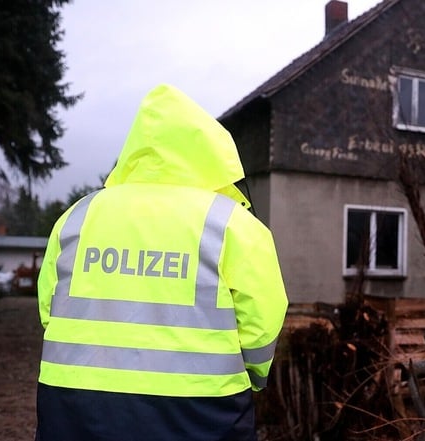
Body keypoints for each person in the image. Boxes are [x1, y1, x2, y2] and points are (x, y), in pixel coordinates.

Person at [35, 83, 289, 441]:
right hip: (200, 409)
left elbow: (50, 308)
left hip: (73, 406)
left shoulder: (78, 216)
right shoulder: (233, 225)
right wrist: (250, 377)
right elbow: (261, 325)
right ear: (211, 153)